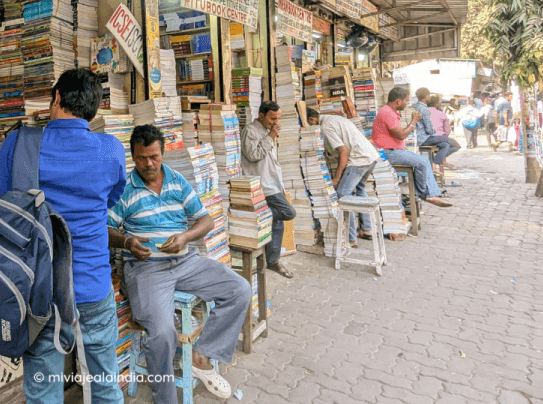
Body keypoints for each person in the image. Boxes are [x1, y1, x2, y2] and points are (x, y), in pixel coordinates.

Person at [0, 68, 127, 404]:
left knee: (43, 390)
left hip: (38, 291)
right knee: (105, 383)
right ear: (95, 109)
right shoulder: (111, 150)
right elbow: (111, 200)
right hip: (92, 285)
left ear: (57, 98)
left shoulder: (19, 143)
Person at [107, 125, 251, 403]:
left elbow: (206, 220)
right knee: (161, 333)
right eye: (141, 158)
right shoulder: (124, 189)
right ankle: (166, 398)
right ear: (132, 156)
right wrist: (126, 243)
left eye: (154, 156)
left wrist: (185, 236)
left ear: (162, 153)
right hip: (146, 268)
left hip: (185, 261)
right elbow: (106, 228)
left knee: (240, 289)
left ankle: (202, 356)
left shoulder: (176, 181)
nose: (148, 164)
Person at [306, 108, 381, 244]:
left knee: (343, 195)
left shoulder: (326, 126)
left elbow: (344, 151)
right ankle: (367, 229)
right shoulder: (335, 118)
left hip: (359, 160)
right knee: (360, 188)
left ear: (312, 120)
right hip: (370, 157)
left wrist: (337, 177)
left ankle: (350, 238)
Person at [241, 101, 297, 278]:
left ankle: (273, 260)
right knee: (287, 212)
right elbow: (253, 155)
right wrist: (270, 137)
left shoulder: (267, 131)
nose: (275, 122)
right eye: (272, 118)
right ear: (261, 116)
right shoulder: (251, 131)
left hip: (273, 183)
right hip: (263, 185)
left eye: (278, 119)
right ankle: (261, 216)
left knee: (277, 223)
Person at [371, 87, 452, 207]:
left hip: (393, 150)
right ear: (398, 101)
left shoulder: (390, 112)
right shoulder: (387, 113)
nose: (406, 104)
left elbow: (398, 133)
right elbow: (402, 135)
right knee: (423, 161)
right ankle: (426, 194)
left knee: (423, 162)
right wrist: (414, 121)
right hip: (388, 152)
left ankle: (430, 193)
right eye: (405, 101)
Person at [413, 87, 455, 174]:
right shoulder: (424, 109)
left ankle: (434, 164)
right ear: (426, 97)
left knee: (445, 144)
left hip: (422, 137)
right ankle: (435, 164)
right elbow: (429, 129)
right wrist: (435, 133)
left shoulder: (417, 106)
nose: (429, 97)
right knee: (447, 140)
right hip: (424, 138)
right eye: (429, 95)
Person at [427, 95, 461, 170]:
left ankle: (440, 159)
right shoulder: (441, 114)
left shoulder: (423, 113)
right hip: (439, 137)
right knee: (456, 145)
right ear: (436, 104)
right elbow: (447, 130)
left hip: (426, 138)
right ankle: (439, 160)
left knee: (445, 144)